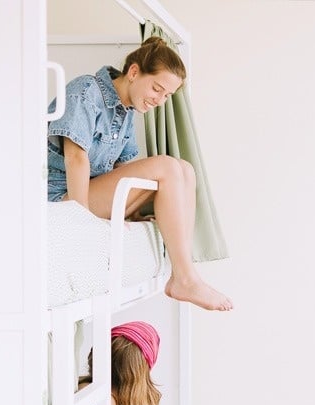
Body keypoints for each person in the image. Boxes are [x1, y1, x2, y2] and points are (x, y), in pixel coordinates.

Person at [47, 36, 232, 312]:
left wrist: (133, 212)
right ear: (134, 72)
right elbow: (76, 158)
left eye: (167, 96)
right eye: (157, 89)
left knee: (186, 170)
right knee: (167, 167)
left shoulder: (126, 111)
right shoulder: (85, 91)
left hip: (91, 191)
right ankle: (184, 278)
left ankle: (184, 268)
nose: (159, 100)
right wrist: (83, 221)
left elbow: (125, 169)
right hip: (63, 196)